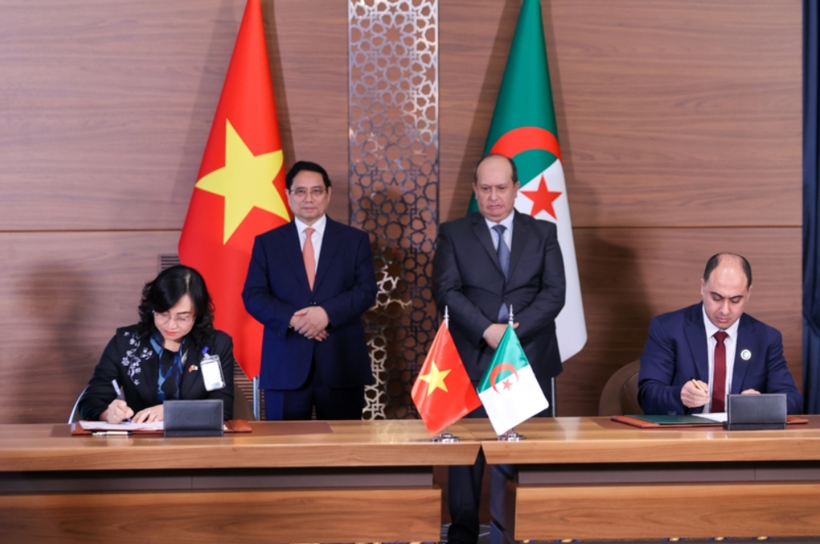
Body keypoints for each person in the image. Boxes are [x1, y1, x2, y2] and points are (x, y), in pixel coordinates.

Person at [432, 154, 566, 544]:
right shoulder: (453, 233)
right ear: (475, 190)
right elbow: (445, 291)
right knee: (467, 458)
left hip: (528, 357)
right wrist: (487, 330)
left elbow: (554, 293)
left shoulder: (543, 232)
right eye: (486, 188)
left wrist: (512, 334)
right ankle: (463, 534)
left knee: (524, 457)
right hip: (473, 357)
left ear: (516, 188)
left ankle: (521, 534)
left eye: (501, 188)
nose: (494, 196)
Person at [243, 161, 377, 420]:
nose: (308, 198)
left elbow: (365, 290)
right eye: (300, 191)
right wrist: (295, 320)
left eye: (316, 191)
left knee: (343, 443)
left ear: (328, 193)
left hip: (341, 361)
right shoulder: (268, 243)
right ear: (288, 195)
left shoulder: (354, 240)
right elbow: (253, 295)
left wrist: (326, 314)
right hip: (285, 362)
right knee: (285, 444)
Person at [638, 253, 802, 415]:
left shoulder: (766, 338)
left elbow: (793, 401)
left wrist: (763, 404)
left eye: (735, 300)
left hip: (742, 432)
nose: (725, 310)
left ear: (748, 293)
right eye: (716, 298)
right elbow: (648, 395)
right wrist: (680, 396)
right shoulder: (668, 329)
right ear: (703, 287)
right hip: (685, 430)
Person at [79, 265, 235, 423]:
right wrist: (108, 413)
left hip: (196, 436)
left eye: (182, 317)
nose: (171, 325)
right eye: (163, 314)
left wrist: (172, 412)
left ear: (197, 314)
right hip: (138, 436)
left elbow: (223, 409)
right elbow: (90, 401)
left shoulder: (216, 345)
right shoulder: (126, 341)